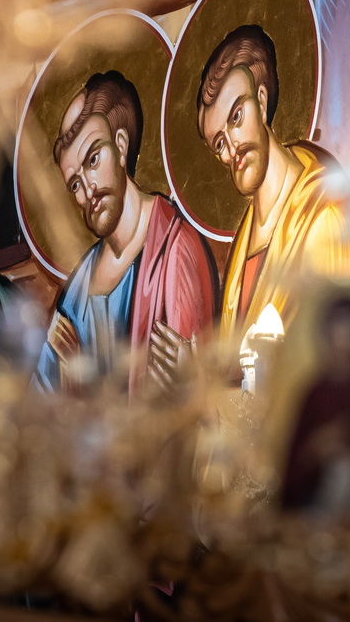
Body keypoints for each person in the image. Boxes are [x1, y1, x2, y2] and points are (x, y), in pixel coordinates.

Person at [35, 71, 219, 394]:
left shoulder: (175, 249)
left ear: (120, 146)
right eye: (75, 184)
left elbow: (185, 392)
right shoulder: (78, 291)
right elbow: (44, 388)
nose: (87, 191)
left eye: (93, 160)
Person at [195, 26, 350, 341]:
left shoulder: (324, 211)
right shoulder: (246, 234)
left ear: (261, 102)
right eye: (219, 143)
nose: (232, 148)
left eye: (236, 117)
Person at [280, 294, 350, 511]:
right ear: (325, 334)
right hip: (316, 505)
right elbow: (291, 469)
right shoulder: (314, 392)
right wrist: (317, 448)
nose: (340, 341)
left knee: (345, 471)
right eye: (335, 330)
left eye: (347, 331)